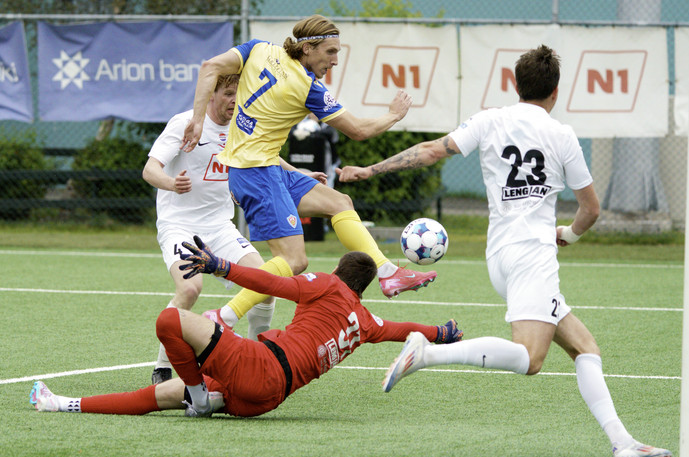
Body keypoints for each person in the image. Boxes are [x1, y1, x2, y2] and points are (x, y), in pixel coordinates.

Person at [336, 45, 671, 457]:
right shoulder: (562, 135)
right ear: (555, 91)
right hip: (532, 255)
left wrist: (370, 170)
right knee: (530, 358)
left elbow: (431, 150)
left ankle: (623, 441)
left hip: (499, 256)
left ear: (517, 85)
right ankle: (428, 352)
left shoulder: (489, 119)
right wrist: (569, 235)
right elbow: (592, 209)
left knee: (585, 347)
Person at [180, 14, 438, 334]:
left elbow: (209, 67)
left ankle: (386, 272)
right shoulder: (308, 87)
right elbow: (358, 130)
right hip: (257, 174)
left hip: (265, 168)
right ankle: (223, 317)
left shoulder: (258, 49)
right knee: (294, 260)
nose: (335, 60)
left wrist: (197, 119)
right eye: (330, 52)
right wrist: (393, 115)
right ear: (307, 48)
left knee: (340, 202)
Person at [29, 239, 463, 418]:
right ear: (363, 288)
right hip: (266, 399)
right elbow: (402, 328)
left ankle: (200, 395)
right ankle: (62, 404)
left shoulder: (327, 286)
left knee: (169, 321)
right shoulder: (365, 321)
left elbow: (271, 283)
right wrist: (440, 333)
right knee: (163, 396)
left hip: (260, 368)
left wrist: (221, 265)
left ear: (337, 272)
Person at [142, 73, 275, 385]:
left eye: (238, 94)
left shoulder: (242, 126)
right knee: (190, 289)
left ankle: (261, 363)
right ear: (211, 94)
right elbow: (150, 170)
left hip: (219, 226)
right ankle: (163, 367)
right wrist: (172, 184)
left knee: (266, 283)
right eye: (228, 93)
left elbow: (270, 159)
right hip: (180, 226)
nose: (234, 100)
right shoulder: (186, 123)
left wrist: (301, 176)